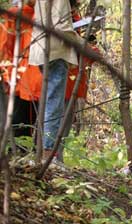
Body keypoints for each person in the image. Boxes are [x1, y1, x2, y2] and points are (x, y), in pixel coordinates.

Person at [29, 0, 79, 160]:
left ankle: (44, 152)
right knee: (54, 104)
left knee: (49, 101)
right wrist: (79, 42)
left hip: (40, 50)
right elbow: (61, 27)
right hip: (56, 51)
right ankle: (49, 153)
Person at [0, 0, 41, 145]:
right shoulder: (16, 14)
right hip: (20, 83)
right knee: (19, 125)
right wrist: (7, 77)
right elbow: (4, 48)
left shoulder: (47, 14)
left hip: (40, 83)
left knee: (38, 127)